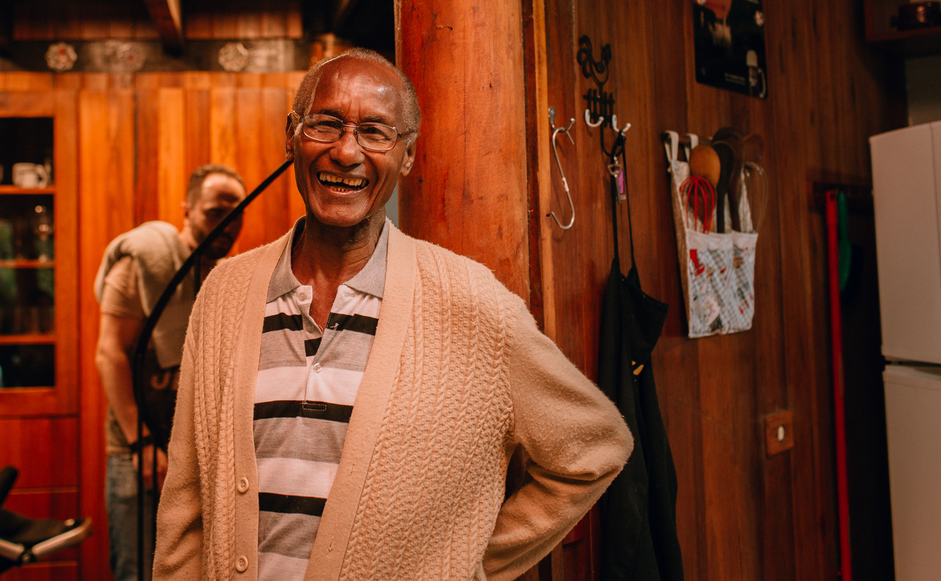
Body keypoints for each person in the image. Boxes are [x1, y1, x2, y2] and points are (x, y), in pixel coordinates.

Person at [154, 49, 633, 581]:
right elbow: (186, 499)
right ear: (291, 135)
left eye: (376, 132)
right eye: (326, 124)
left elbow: (594, 446)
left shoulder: (472, 303)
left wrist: (465, 563)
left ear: (406, 155)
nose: (346, 151)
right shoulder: (225, 292)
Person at [94, 164, 247, 581]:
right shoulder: (144, 264)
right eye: (216, 212)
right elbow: (111, 354)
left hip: (198, 455)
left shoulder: (227, 279)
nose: (227, 225)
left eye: (236, 214)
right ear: (188, 209)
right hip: (137, 448)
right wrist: (139, 440)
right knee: (137, 569)